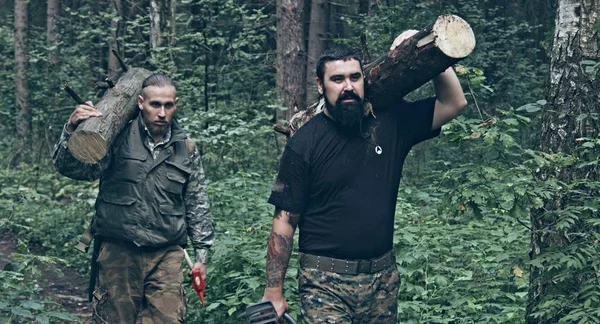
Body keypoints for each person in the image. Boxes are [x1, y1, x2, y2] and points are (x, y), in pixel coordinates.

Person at [261, 31, 467, 323]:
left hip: (382, 282)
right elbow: (284, 221)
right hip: (324, 283)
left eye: (355, 77)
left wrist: (432, 52)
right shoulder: (304, 143)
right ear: (320, 86)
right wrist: (274, 290)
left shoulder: (390, 123)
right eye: (337, 79)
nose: (348, 87)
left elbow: (454, 103)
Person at [53, 74, 214, 323]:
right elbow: (74, 170)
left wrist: (201, 256)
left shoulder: (186, 148)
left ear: (176, 104)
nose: (162, 112)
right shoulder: (115, 138)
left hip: (166, 253)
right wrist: (70, 129)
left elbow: (197, 202)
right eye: (155, 104)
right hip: (119, 251)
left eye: (168, 105)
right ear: (140, 102)